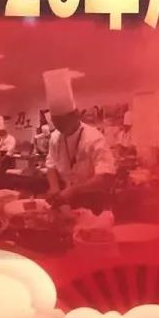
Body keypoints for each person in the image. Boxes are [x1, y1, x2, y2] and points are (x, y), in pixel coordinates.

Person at [42, 68, 116, 211]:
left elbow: (105, 177)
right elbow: (50, 165)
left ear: (76, 115)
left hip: (92, 199)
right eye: (56, 123)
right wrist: (54, 188)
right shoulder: (55, 137)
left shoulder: (94, 138)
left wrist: (75, 190)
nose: (60, 127)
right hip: (67, 196)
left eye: (63, 122)